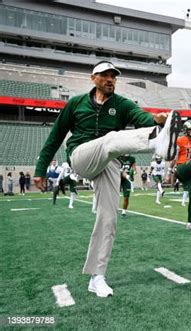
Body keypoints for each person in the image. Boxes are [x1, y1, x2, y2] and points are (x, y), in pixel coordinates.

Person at [34, 60, 181, 298]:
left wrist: (156, 120)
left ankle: (97, 277)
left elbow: (139, 116)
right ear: (94, 78)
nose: (110, 79)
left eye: (113, 76)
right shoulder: (76, 103)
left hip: (109, 162)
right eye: (105, 75)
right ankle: (158, 143)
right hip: (81, 156)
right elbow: (55, 136)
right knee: (112, 138)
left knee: (108, 218)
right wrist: (41, 169)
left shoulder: (121, 104)